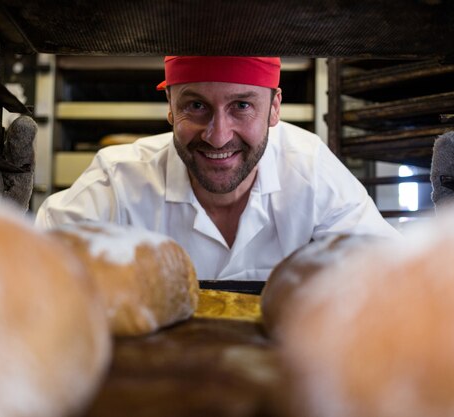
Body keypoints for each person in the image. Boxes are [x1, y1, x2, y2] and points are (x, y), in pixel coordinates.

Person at [35, 56, 400, 281]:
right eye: (195, 106)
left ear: (275, 108)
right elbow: (36, 269)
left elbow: (390, 277)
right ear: (170, 106)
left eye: (242, 105)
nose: (217, 136)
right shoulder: (120, 180)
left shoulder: (312, 173)